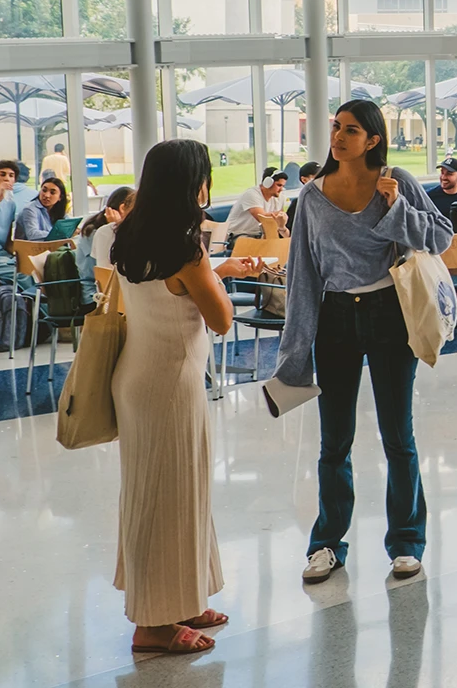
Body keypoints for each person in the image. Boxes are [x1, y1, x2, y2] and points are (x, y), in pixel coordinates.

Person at [264, 99, 454, 585]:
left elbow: (441, 237)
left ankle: (407, 542)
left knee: (398, 435)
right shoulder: (311, 197)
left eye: (351, 130)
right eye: (335, 127)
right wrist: (294, 350)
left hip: (391, 313)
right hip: (335, 319)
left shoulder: (396, 181)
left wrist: (396, 208)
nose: (339, 136)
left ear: (372, 139)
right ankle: (326, 543)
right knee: (334, 442)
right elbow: (302, 277)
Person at [109, 139, 257, 654]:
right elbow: (220, 318)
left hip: (139, 379)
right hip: (171, 384)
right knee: (168, 500)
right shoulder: (186, 248)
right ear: (193, 185)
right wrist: (216, 269)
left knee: (168, 495)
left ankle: (181, 598)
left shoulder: (125, 235)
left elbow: (168, 293)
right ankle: (153, 624)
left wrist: (215, 269)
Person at [76, 186, 134, 304]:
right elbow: (113, 266)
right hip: (94, 295)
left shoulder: (98, 227)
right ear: (122, 208)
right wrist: (115, 228)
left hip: (104, 293)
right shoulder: (97, 233)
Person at [224, 167, 288, 243]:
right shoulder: (251, 194)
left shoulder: (280, 198)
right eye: (279, 185)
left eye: (283, 186)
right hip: (237, 235)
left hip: (259, 235)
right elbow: (262, 218)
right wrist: (279, 216)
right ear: (267, 183)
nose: (281, 189)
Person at [15, 176, 69, 242]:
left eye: (52, 193)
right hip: (30, 249)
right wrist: (57, 234)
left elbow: (68, 226)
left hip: (50, 248)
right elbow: (32, 234)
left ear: (60, 197)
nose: (46, 195)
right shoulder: (30, 209)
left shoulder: (59, 210)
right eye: (44, 190)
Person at [287, 161, 321, 225]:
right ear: (304, 180)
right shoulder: (298, 204)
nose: (321, 180)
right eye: (317, 177)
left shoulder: (328, 201)